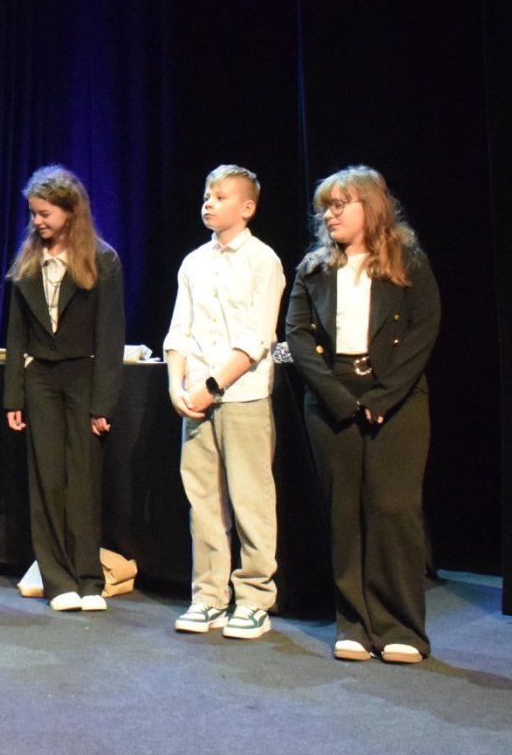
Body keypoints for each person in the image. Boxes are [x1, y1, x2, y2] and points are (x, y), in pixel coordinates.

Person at [285, 165, 440, 664]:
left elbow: (423, 329)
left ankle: (401, 628)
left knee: (394, 511)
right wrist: (337, 398)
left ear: (369, 208)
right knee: (344, 514)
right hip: (333, 398)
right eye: (325, 208)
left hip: (396, 398)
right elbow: (298, 337)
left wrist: (381, 399)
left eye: (340, 205)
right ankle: (353, 624)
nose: (329, 215)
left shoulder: (407, 261)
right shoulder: (313, 269)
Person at [162, 165, 286, 640]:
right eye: (206, 195)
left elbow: (257, 337)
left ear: (247, 207)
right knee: (203, 500)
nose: (208, 203)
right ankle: (209, 596)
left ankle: (254, 598)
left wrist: (211, 385)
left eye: (220, 196)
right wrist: (177, 385)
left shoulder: (263, 260)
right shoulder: (194, 262)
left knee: (251, 498)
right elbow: (179, 330)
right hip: (195, 397)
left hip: (241, 396)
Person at [3, 166, 125, 613]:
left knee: (82, 480)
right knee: (47, 479)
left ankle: (89, 579)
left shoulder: (101, 259)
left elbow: (110, 336)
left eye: (45, 213)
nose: (37, 221)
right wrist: (13, 396)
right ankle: (58, 581)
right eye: (33, 214)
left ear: (70, 212)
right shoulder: (29, 262)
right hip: (41, 380)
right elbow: (16, 335)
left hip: (82, 377)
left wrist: (102, 403)